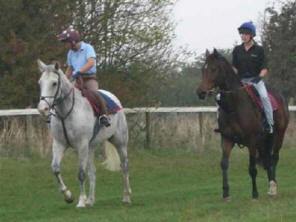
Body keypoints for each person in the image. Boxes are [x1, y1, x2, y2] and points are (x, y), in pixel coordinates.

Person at [57, 26, 110, 127]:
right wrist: (63, 80)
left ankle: (104, 116)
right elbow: (70, 68)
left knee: (96, 94)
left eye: (66, 42)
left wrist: (79, 71)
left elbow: (91, 62)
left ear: (72, 41)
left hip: (89, 78)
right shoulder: (70, 53)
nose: (65, 45)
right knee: (66, 95)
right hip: (77, 79)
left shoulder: (88, 48)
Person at [232, 21, 273, 134]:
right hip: (241, 81)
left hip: (255, 81)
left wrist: (259, 78)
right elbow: (234, 67)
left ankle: (270, 124)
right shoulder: (237, 50)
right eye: (241, 34)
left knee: (264, 97)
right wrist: (232, 76)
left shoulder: (259, 50)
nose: (243, 36)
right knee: (223, 96)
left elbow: (264, 68)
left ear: (251, 35)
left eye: (245, 34)